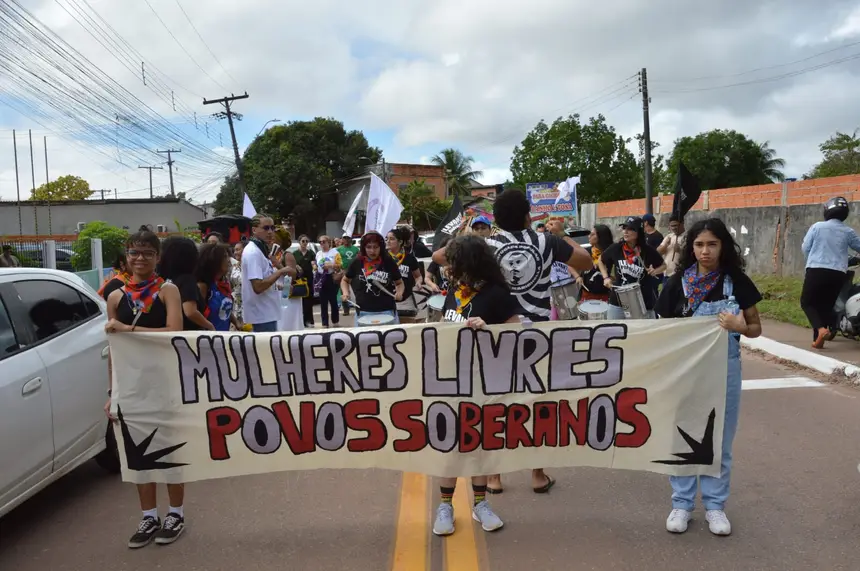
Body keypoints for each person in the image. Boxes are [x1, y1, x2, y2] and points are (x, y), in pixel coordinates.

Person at [432, 188, 592, 494]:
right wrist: (563, 233)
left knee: (497, 405)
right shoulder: (547, 241)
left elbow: (441, 256)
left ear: (497, 219)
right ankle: (537, 474)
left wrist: (467, 234)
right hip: (536, 335)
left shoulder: (487, 243)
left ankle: (494, 477)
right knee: (537, 405)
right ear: (528, 215)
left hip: (495, 334)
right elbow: (584, 261)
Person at [656, 217, 762, 536]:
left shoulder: (737, 282)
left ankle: (715, 506)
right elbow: (661, 330)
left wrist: (741, 327)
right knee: (684, 437)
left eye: (712, 244)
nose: (705, 251)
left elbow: (756, 328)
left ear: (723, 247)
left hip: (725, 369)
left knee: (721, 440)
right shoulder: (677, 284)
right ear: (691, 248)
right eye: (700, 245)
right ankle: (682, 504)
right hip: (687, 371)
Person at [103, 226, 186, 548]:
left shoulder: (168, 290)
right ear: (126, 256)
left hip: (165, 383)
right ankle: (149, 515)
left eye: (147, 253)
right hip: (132, 387)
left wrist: (128, 328)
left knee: (170, 450)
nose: (140, 259)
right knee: (137, 454)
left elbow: (175, 333)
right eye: (135, 252)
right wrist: (112, 393)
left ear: (157, 257)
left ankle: (175, 513)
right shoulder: (115, 297)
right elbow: (114, 349)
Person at [431, 235, 519, 538]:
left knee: (481, 443)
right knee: (451, 445)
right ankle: (445, 506)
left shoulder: (496, 294)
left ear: (469, 263)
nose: (449, 267)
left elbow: (518, 332)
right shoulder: (454, 291)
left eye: (455, 262)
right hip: (451, 380)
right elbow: (445, 324)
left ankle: (480, 504)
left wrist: (489, 329)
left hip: (485, 380)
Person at [801, 196, 860, 348]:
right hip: (838, 273)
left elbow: (805, 248)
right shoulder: (848, 231)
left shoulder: (817, 227)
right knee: (826, 306)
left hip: (816, 269)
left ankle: (820, 330)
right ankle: (818, 340)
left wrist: (813, 259)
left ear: (827, 211)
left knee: (807, 302)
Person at [598, 216, 666, 319]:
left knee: (642, 333)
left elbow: (664, 265)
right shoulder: (616, 248)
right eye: (624, 228)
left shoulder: (647, 250)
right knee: (615, 331)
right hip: (618, 300)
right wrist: (605, 277)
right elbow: (601, 260)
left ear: (639, 232)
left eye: (630, 229)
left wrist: (655, 271)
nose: (626, 231)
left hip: (642, 301)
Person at [241, 214, 295, 332]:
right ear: (254, 230)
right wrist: (281, 270)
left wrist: (280, 287)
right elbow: (258, 287)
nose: (270, 232)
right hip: (261, 315)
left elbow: (264, 279)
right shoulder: (253, 252)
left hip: (267, 312)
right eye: (266, 228)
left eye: (272, 228)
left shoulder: (261, 250)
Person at [341, 231, 405, 324]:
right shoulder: (357, 261)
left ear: (381, 247)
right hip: (363, 312)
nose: (372, 251)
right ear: (363, 247)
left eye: (375, 247)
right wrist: (346, 293)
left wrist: (399, 292)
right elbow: (345, 280)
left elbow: (399, 282)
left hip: (387, 311)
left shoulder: (388, 261)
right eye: (368, 247)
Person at [159, 237, 213, 332]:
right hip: (188, 335)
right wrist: (210, 326)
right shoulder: (187, 280)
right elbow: (190, 311)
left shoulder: (164, 280)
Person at [387, 226, 436, 323]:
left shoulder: (409, 258)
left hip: (406, 300)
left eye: (391, 239)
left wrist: (418, 282)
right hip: (386, 300)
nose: (388, 241)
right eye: (386, 239)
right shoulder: (383, 258)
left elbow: (418, 276)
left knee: (406, 328)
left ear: (400, 242)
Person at [196, 242, 236, 331]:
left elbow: (224, 309)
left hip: (223, 338)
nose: (229, 260)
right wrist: (209, 328)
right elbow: (195, 315)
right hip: (208, 340)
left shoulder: (224, 284)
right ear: (214, 261)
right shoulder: (203, 287)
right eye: (225, 257)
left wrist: (236, 322)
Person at [570, 224, 614, 303]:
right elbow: (569, 263)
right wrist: (577, 277)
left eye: (592, 234)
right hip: (586, 295)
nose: (588, 236)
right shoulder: (585, 252)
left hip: (608, 296)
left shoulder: (611, 252)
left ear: (601, 236)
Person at [314, 236, 342, 328]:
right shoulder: (318, 254)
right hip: (321, 278)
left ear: (329, 242)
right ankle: (324, 323)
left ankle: (335, 320)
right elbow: (316, 264)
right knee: (323, 302)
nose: (322, 244)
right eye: (320, 242)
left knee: (333, 301)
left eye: (323, 241)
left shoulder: (335, 252)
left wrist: (330, 265)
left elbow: (339, 265)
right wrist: (314, 267)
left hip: (331, 277)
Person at [293, 235, 316, 327]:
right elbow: (292, 263)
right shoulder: (295, 253)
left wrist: (314, 266)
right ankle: (300, 321)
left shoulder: (311, 253)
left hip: (309, 279)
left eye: (306, 241)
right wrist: (296, 266)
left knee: (308, 300)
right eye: (303, 241)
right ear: (299, 242)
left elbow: (313, 262)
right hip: (299, 279)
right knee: (299, 300)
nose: (305, 243)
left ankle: (309, 320)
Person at [658, 213, 686, 285]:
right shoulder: (669, 236)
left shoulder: (687, 237)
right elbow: (657, 253)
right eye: (672, 226)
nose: (674, 228)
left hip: (679, 275)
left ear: (682, 223)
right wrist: (665, 245)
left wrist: (680, 250)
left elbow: (690, 256)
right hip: (666, 274)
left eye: (676, 225)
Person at [337, 235, 359, 315]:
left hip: (354, 272)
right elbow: (336, 260)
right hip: (343, 271)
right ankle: (346, 310)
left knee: (355, 290)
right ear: (342, 239)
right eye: (344, 238)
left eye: (348, 238)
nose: (346, 240)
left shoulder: (355, 249)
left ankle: (358, 307)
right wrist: (339, 270)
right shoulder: (338, 249)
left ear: (351, 239)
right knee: (344, 291)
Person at [228, 241, 245, 329]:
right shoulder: (234, 267)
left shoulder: (250, 266)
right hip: (235, 304)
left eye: (238, 250)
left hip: (247, 304)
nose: (235, 253)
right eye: (234, 250)